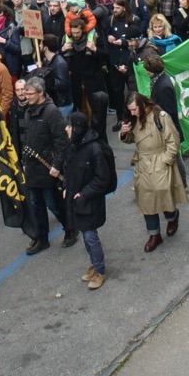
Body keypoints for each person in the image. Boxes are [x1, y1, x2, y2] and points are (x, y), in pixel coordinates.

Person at [120, 93, 185, 253]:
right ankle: (154, 234)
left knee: (163, 194)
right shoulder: (133, 119)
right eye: (130, 111)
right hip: (143, 163)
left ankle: (172, 216)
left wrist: (165, 161)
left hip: (159, 159)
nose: (133, 113)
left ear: (142, 105)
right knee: (146, 200)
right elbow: (130, 139)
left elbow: (173, 140)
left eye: (134, 110)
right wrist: (124, 132)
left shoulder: (160, 116)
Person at [19, 77, 71, 255]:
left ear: (41, 93)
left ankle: (70, 229)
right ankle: (42, 239)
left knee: (53, 204)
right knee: (36, 205)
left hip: (48, 167)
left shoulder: (52, 112)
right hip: (33, 168)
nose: (26, 96)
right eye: (25, 93)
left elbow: (61, 141)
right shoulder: (28, 111)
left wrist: (57, 164)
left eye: (29, 93)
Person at [63, 112, 112, 289]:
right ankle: (95, 264)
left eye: (69, 126)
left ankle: (100, 270)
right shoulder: (73, 145)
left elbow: (102, 179)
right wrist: (66, 187)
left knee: (90, 236)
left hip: (89, 201)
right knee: (86, 235)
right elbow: (68, 169)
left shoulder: (94, 149)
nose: (66, 129)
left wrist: (84, 194)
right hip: (78, 199)